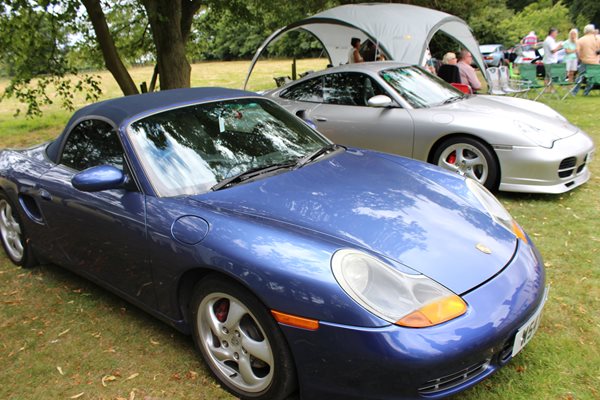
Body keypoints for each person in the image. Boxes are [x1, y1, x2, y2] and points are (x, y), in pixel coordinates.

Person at [573, 24, 600, 95]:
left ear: (585, 31)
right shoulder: (597, 39)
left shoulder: (581, 40)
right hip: (596, 62)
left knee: (580, 77)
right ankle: (586, 92)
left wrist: (579, 58)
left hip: (585, 61)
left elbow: (577, 51)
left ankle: (574, 92)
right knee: (592, 78)